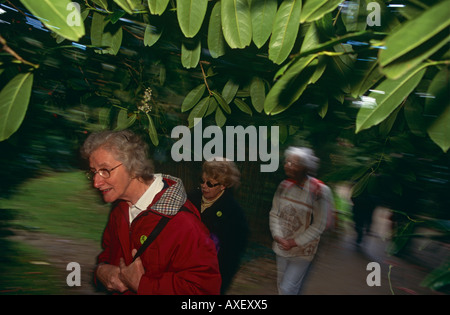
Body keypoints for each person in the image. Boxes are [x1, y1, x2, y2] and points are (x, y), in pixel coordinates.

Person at [81, 130, 221, 295]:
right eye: (93, 172)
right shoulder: (120, 208)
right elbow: (108, 252)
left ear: (133, 168)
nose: (96, 183)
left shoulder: (185, 225)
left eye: (105, 170)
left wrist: (143, 285)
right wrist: (101, 271)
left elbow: (204, 292)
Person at [269, 146, 333, 295]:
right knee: (283, 286)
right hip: (281, 246)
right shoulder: (284, 186)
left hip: (303, 251)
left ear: (305, 167)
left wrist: (293, 242)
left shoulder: (319, 190)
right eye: (287, 162)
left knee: (288, 289)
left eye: (293, 163)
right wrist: (278, 236)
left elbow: (320, 224)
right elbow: (274, 213)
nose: (287, 165)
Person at [188, 158, 248, 294]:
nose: (204, 186)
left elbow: (231, 257)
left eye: (210, 183)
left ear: (224, 185)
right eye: (202, 181)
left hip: (210, 273)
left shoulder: (234, 214)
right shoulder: (191, 198)